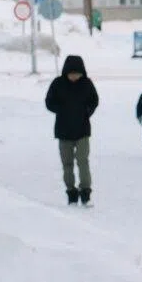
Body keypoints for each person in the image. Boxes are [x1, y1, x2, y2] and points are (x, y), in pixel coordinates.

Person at [43, 53, 100, 205]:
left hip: (82, 130)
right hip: (63, 131)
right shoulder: (58, 83)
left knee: (83, 161)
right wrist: (60, 110)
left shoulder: (87, 84)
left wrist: (87, 111)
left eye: (77, 74)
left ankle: (85, 192)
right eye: (71, 74)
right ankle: (71, 192)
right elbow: (49, 102)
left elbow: (94, 100)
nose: (74, 76)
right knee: (67, 164)